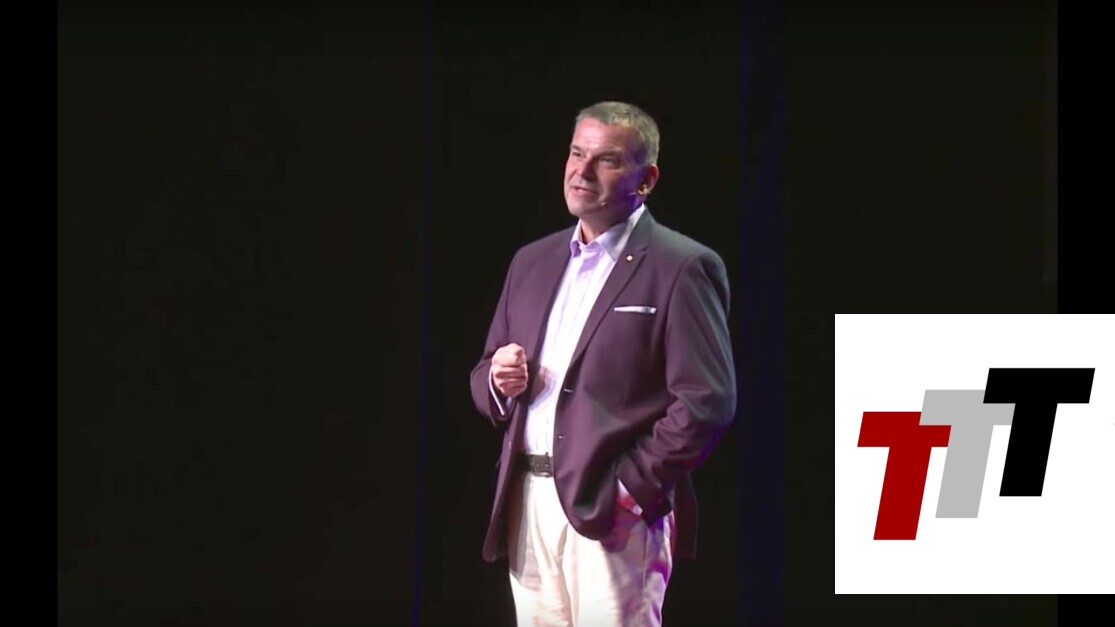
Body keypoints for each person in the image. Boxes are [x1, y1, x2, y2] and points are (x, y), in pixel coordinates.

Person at [469, 100, 736, 626]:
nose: (582, 171)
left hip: (613, 516)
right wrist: (499, 379)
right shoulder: (532, 261)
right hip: (528, 504)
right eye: (576, 153)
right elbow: (483, 373)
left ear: (647, 179)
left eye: (606, 160)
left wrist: (630, 490)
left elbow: (707, 402)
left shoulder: (681, 266)